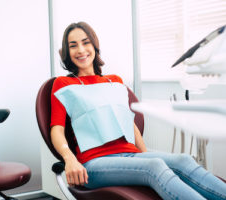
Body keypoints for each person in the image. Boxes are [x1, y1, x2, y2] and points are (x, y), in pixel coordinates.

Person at [50, 21, 226, 200]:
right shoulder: (64, 84)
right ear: (67, 52)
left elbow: (129, 125)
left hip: (129, 155)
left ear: (94, 45)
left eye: (85, 42)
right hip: (94, 163)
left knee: (183, 160)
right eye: (73, 46)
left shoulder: (115, 81)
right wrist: (69, 159)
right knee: (155, 167)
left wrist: (144, 156)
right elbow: (56, 129)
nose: (80, 50)